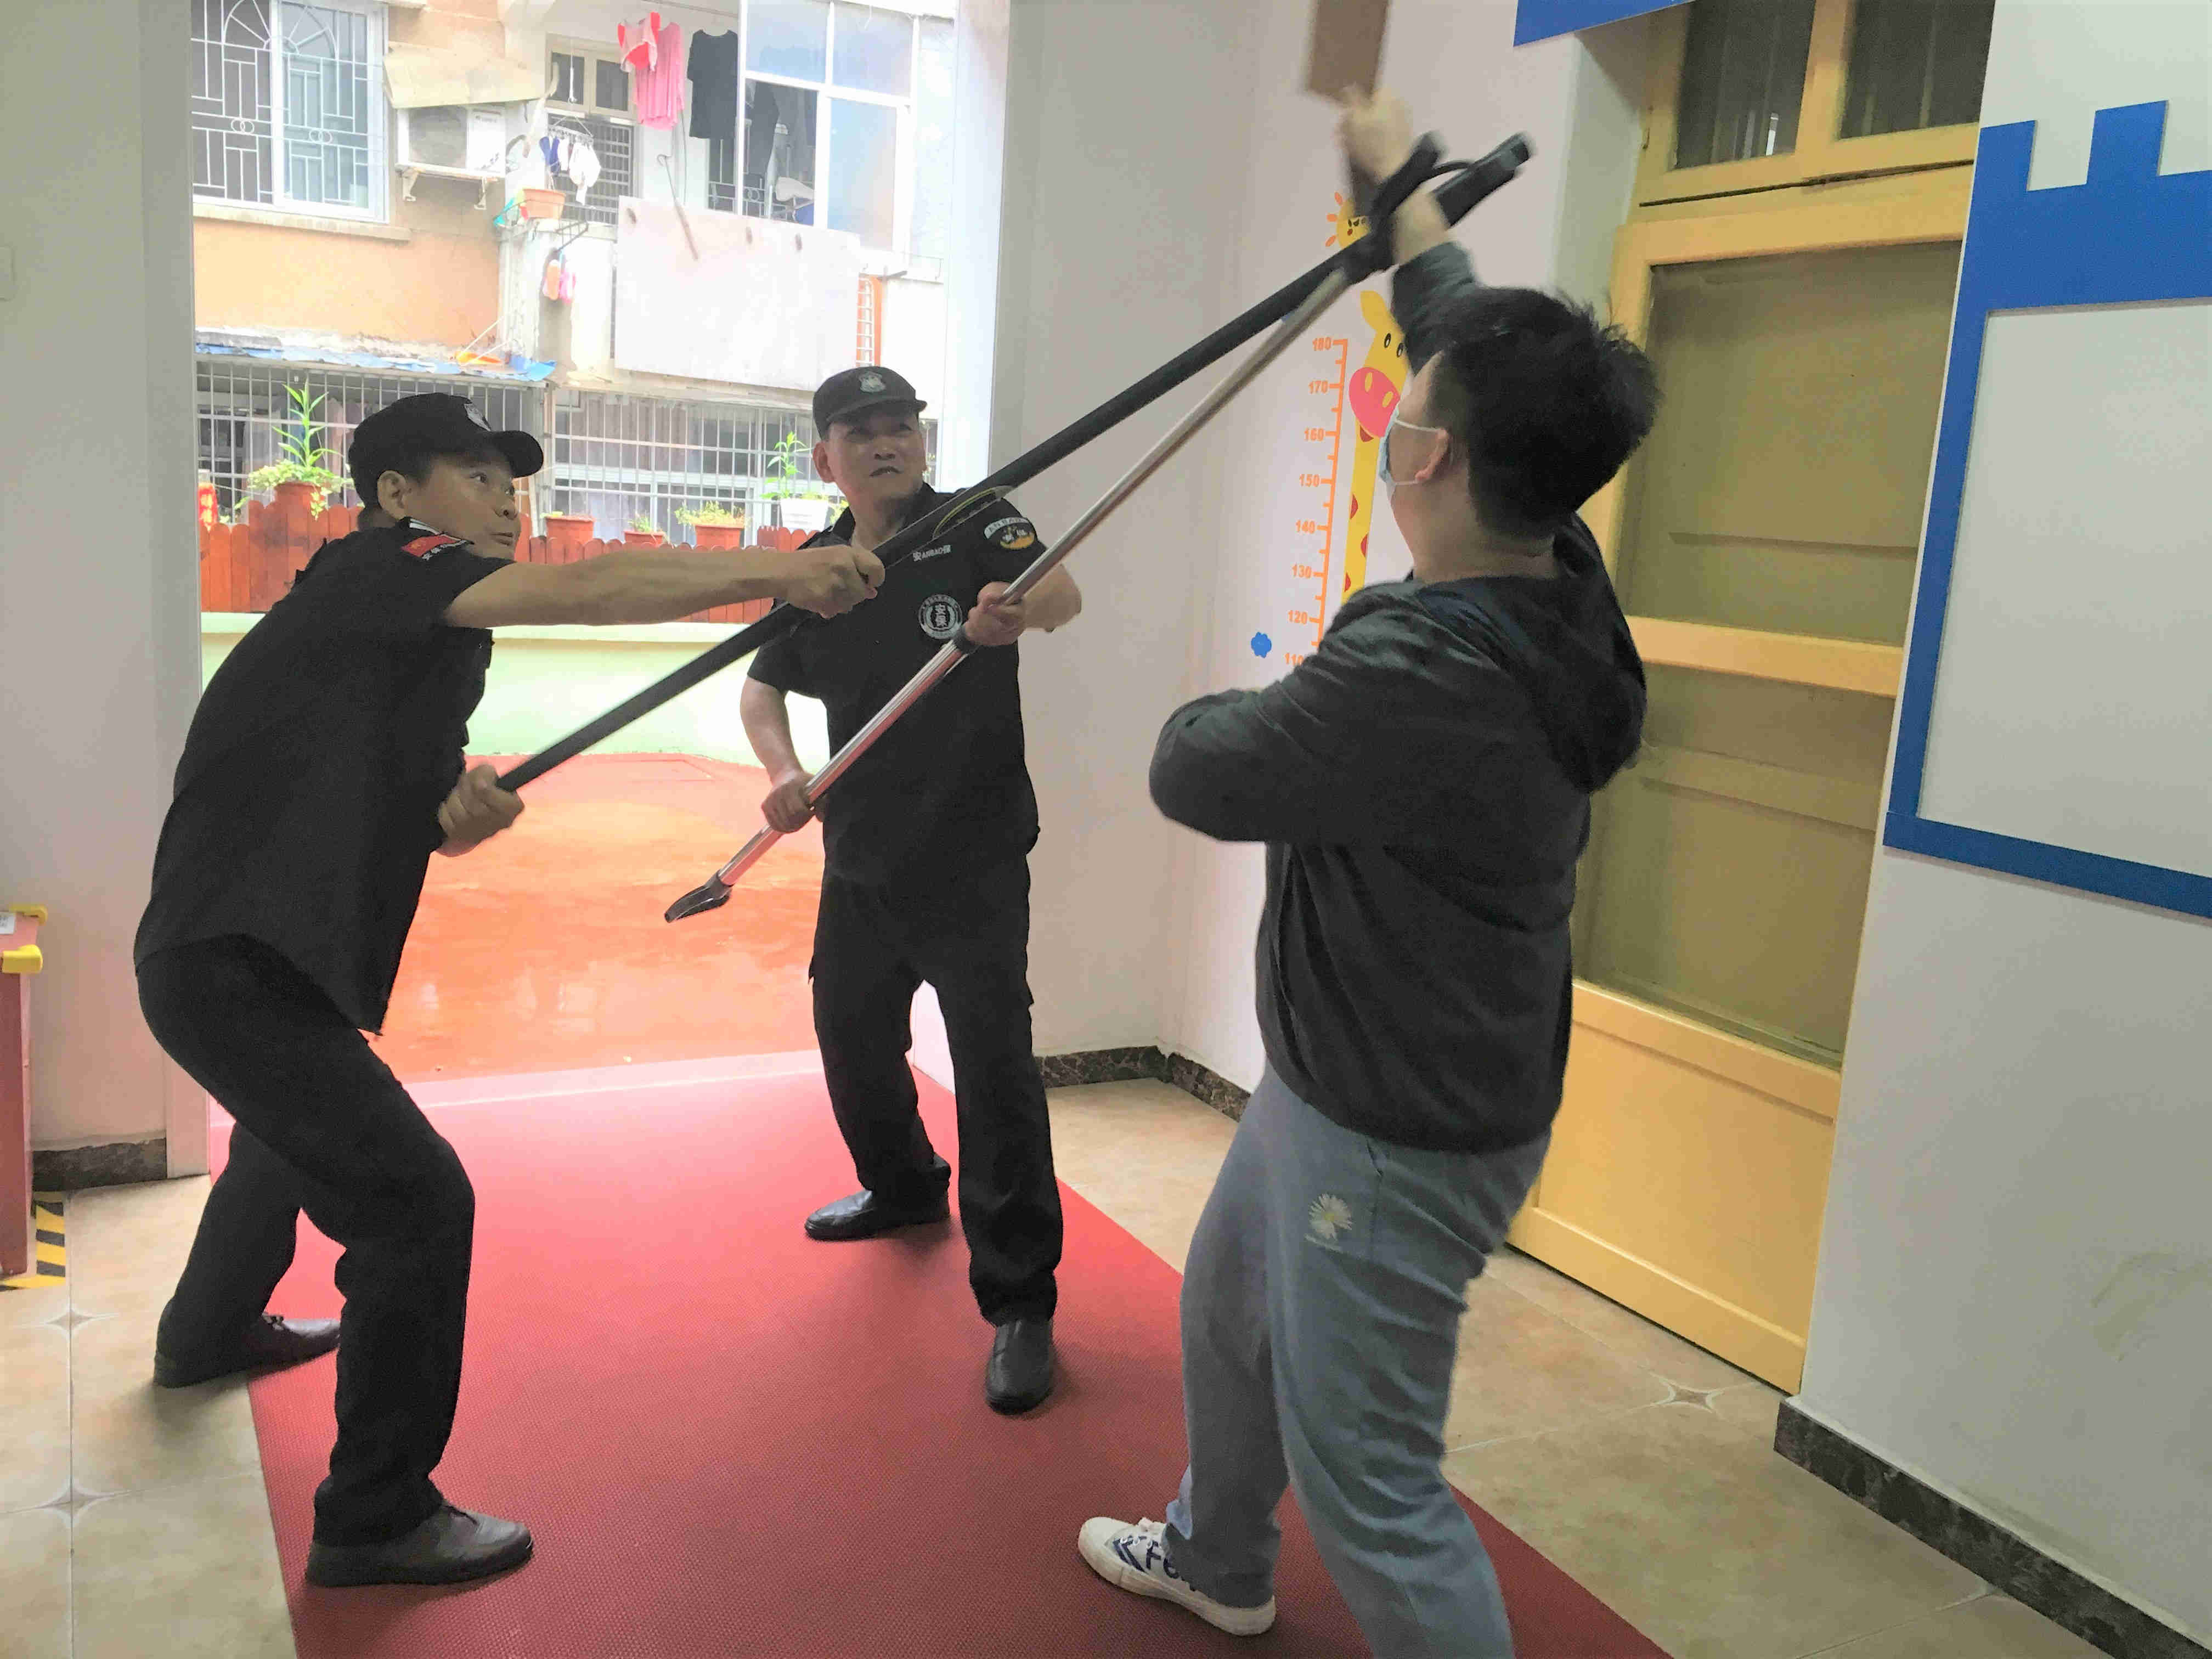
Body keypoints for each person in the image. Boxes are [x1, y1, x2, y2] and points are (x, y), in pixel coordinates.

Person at [1078, 91, 1661, 1655]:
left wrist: (1251, 690)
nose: (1404, 400)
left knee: (1374, 1483)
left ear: (1430, 454)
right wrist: (1398, 178)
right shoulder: (1559, 560)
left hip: (1400, 1129)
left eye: (1416, 403)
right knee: (1227, 1312)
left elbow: (1199, 768)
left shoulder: (1424, 670)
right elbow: (1453, 311)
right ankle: (1218, 1555)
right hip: (1350, 1073)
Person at [138, 393, 881, 1588]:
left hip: (249, 959)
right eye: (475, 476)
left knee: (289, 1138)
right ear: (396, 496)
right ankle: (375, 1516)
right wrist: (783, 573)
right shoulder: (385, 567)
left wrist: (460, 813)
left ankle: (206, 1333)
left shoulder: (420, 639)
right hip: (232, 960)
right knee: (419, 1204)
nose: (504, 501)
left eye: (510, 482)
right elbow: (592, 589)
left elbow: (431, 819)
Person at [741, 365, 1083, 1415]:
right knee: (850, 1035)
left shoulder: (976, 519)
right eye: (863, 432)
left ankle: (1020, 1301)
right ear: (825, 458)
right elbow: (760, 691)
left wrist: (1011, 616)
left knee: (994, 1073)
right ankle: (902, 1188)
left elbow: (1062, 595)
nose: (888, 444)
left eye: (902, 427)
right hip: (862, 858)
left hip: (974, 857)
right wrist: (784, 775)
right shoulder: (818, 568)